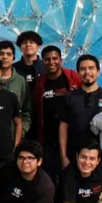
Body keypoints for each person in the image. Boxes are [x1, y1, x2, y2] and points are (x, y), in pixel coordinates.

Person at [59, 55, 102, 169]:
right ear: (78, 72)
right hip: (76, 158)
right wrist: (63, 156)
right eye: (83, 69)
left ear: (98, 71)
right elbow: (63, 127)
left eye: (91, 68)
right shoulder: (70, 97)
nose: (87, 72)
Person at [31, 45, 81, 180]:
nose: (51, 62)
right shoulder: (41, 84)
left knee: (72, 180)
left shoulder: (72, 78)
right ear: (43, 61)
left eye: (55, 58)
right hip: (50, 143)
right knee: (51, 180)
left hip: (73, 141)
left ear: (61, 59)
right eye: (47, 59)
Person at [0, 41, 32, 137]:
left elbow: (27, 110)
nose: (5, 57)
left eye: (8, 54)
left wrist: (22, 131)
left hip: (13, 138)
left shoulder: (21, 81)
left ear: (13, 57)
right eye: (1, 54)